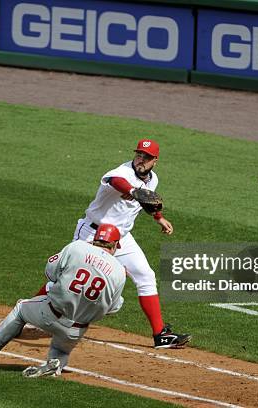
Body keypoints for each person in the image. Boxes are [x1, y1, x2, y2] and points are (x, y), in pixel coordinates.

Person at [37, 139, 190, 349]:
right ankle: (28, 311)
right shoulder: (123, 173)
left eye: (146, 157)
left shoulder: (152, 179)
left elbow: (149, 201)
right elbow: (114, 181)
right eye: (138, 155)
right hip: (94, 234)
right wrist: (134, 191)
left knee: (146, 276)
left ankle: (160, 335)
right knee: (67, 276)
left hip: (122, 238)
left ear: (155, 160)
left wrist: (159, 218)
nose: (140, 160)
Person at [0, 224, 127, 377]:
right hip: (75, 331)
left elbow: (50, 273)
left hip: (50, 314)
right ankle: (54, 365)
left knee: (21, 309)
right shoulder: (120, 270)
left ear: (95, 239)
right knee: (61, 350)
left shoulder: (77, 247)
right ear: (114, 245)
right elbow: (113, 308)